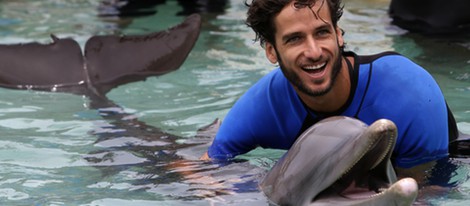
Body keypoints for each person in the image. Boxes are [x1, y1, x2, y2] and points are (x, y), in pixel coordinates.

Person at [201, 0, 457, 181]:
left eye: (322, 32)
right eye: (295, 39)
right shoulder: (265, 106)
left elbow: (423, 192)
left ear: (339, 34)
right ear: (271, 51)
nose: (313, 52)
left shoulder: (409, 93)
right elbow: (204, 171)